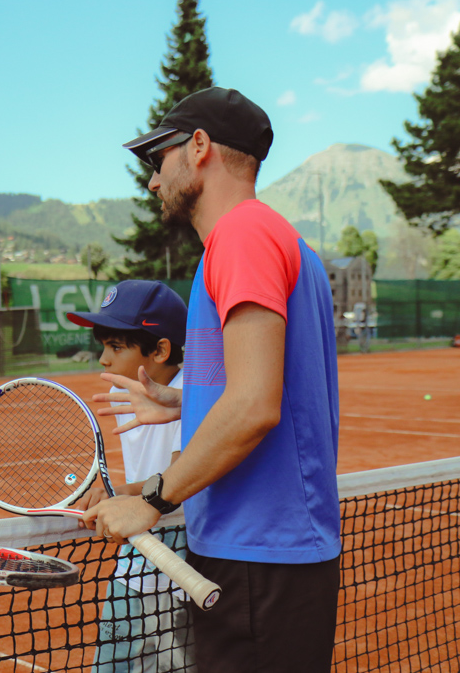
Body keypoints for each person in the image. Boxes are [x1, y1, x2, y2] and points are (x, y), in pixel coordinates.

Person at [84, 88, 341, 673]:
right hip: (264, 553)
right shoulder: (275, 237)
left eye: (158, 160)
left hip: (258, 555)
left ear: (199, 147)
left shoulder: (243, 237)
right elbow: (270, 383)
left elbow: (254, 405)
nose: (152, 181)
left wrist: (152, 500)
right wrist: (183, 401)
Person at [68, 280, 194, 673]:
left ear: (160, 351)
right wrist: (116, 492)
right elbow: (147, 473)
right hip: (144, 557)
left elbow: (181, 474)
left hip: (178, 564)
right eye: (103, 345)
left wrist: (120, 492)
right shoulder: (128, 394)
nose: (103, 358)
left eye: (116, 346)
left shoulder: (191, 391)